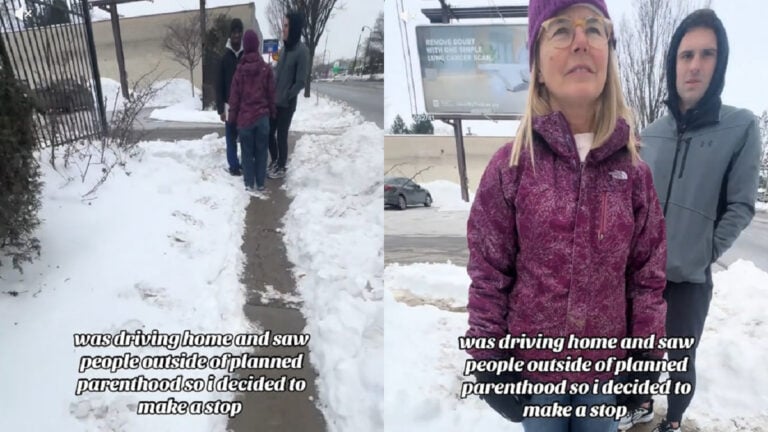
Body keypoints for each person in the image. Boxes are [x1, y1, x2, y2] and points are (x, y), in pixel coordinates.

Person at [464, 1, 668, 431]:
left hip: (605, 373)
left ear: (608, 55)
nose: (580, 41)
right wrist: (487, 356)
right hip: (534, 374)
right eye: (560, 30)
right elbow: (489, 271)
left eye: (594, 28)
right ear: (537, 65)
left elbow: (646, 276)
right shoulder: (511, 167)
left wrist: (646, 357)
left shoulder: (634, 173)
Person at [620, 9, 762, 432]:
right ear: (673, 64)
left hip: (690, 278)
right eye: (686, 55)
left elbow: (740, 205)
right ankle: (640, 404)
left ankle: (674, 419)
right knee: (637, 350)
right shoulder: (650, 133)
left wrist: (703, 252)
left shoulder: (741, 127)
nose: (695, 65)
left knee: (681, 356)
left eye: (706, 54)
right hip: (642, 276)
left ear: (720, 63)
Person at [228, 30, 276, 197]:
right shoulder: (266, 69)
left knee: (247, 152)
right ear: (257, 45)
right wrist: (272, 113)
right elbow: (271, 93)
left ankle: (249, 183)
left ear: (245, 46)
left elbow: (234, 98)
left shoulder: (239, 71)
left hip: (245, 119)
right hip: (262, 118)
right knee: (262, 151)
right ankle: (260, 183)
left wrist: (232, 119)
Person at [267, 11, 309, 179]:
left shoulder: (302, 51)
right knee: (269, 133)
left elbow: (300, 81)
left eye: (285, 26)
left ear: (294, 28)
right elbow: (278, 72)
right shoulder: (284, 49)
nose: (283, 29)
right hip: (275, 101)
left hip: (287, 103)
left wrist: (286, 95)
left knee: (281, 135)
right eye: (283, 25)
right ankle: (275, 160)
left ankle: (282, 166)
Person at [216, 18, 245, 176]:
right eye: (234, 32)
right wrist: (220, 108)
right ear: (230, 34)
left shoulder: (246, 56)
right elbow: (219, 84)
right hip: (229, 105)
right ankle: (234, 166)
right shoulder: (224, 58)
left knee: (246, 137)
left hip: (245, 105)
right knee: (231, 138)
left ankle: (245, 164)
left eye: (239, 32)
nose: (236, 35)